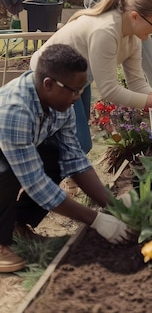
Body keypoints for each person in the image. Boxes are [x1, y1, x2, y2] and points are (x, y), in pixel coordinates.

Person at [0, 44, 131, 273]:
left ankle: (16, 225)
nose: (78, 97)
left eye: (82, 90)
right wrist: (95, 220)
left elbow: (74, 160)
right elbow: (35, 183)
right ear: (48, 84)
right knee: (5, 170)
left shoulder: (62, 105)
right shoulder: (15, 109)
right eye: (74, 90)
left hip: (14, 152)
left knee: (54, 155)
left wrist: (114, 206)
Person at [31, 0, 152, 153]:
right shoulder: (106, 31)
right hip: (50, 78)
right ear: (135, 16)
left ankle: (55, 173)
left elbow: (136, 82)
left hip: (75, 79)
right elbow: (109, 90)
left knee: (75, 145)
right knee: (79, 144)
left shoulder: (133, 36)